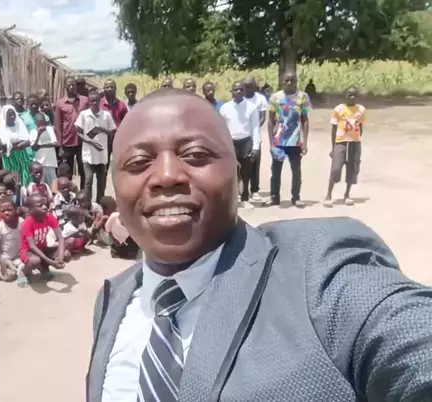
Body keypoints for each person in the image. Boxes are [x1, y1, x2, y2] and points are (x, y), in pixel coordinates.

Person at [88, 88, 432, 401]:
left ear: (238, 174)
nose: (166, 176)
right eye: (138, 163)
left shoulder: (319, 272)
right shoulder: (112, 300)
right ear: (115, 186)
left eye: (195, 154)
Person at [266, 71, 311, 208]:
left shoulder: (303, 97)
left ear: (296, 81)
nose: (290, 82)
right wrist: (271, 143)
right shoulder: (275, 97)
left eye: (292, 80)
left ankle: (296, 197)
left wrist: (305, 142)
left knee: (296, 171)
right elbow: (270, 121)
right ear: (282, 81)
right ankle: (274, 197)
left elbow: (305, 120)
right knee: (275, 171)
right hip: (278, 140)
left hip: (295, 141)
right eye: (287, 80)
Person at [219, 81, 261, 209]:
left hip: (246, 142)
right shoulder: (225, 108)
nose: (238, 92)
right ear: (231, 91)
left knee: (245, 174)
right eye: (235, 89)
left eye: (241, 89)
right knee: (231, 174)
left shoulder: (251, 107)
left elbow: (255, 127)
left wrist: (256, 146)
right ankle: (232, 200)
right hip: (230, 143)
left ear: (244, 91)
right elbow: (221, 128)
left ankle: (245, 199)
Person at [324, 85, 365, 207]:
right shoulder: (338, 109)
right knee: (336, 168)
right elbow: (334, 129)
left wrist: (356, 137)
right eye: (349, 95)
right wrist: (333, 147)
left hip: (354, 143)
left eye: (354, 95)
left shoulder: (361, 110)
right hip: (340, 142)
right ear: (345, 96)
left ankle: (347, 194)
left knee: (352, 168)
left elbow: (360, 126)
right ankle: (328, 195)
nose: (352, 97)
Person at [17, 193, 69, 287]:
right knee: (35, 260)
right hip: (27, 251)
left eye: (45, 204)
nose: (45, 207)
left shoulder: (49, 217)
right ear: (31, 210)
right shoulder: (27, 223)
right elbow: (32, 246)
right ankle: (23, 272)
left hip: (42, 248)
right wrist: (51, 262)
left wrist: (60, 257)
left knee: (66, 254)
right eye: (40, 205)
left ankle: (43, 268)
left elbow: (60, 237)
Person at [75, 92, 116, 203]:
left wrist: (102, 129)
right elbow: (78, 132)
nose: (94, 103)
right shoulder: (84, 114)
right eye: (92, 101)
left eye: (96, 100)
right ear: (89, 102)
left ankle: (100, 203)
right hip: (88, 153)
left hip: (102, 154)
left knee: (101, 181)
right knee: (88, 181)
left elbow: (112, 131)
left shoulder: (106, 115)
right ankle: (88, 203)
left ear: (99, 101)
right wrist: (91, 142)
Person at [55, 76, 90, 188]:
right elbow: (58, 125)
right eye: (69, 85)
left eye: (73, 85)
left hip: (82, 141)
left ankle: (83, 193)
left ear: (76, 86)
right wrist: (60, 145)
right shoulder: (60, 103)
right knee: (67, 170)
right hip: (67, 142)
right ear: (65, 87)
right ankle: (69, 193)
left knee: (83, 170)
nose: (71, 87)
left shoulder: (85, 100)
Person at [242, 75, 269, 202]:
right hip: (241, 136)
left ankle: (254, 190)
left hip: (255, 136)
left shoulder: (260, 99)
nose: (247, 89)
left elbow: (263, 117)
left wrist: (254, 127)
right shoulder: (240, 98)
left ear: (254, 86)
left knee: (254, 164)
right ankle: (242, 190)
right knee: (242, 164)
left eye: (249, 86)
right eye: (245, 86)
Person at [0, 105, 34, 186]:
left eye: (13, 114)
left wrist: (14, 144)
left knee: (24, 176)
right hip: (10, 158)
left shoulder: (19, 126)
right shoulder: (0, 128)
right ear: (4, 116)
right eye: (9, 115)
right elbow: (3, 146)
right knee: (11, 177)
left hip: (22, 156)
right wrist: (18, 144)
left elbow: (27, 141)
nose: (12, 117)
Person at [0, 197, 22, 282]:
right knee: (8, 277)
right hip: (5, 258)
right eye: (3, 211)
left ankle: (17, 270)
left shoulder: (22, 222)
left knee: (26, 266)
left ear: (16, 209)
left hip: (18, 257)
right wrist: (1, 261)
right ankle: (6, 268)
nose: (6, 213)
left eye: (9, 210)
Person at [29, 114, 58, 187]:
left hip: (51, 163)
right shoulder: (33, 132)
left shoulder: (49, 129)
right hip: (39, 164)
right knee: (40, 186)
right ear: (36, 122)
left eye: (43, 122)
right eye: (39, 122)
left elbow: (54, 143)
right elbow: (34, 148)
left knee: (53, 186)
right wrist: (39, 134)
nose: (41, 125)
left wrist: (41, 146)